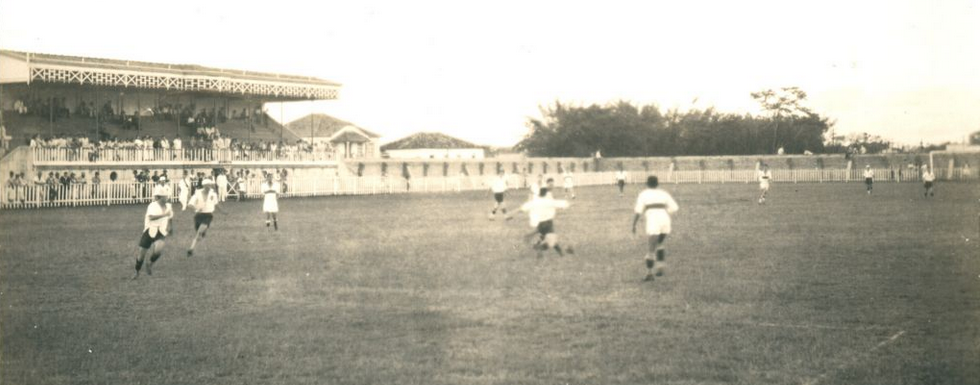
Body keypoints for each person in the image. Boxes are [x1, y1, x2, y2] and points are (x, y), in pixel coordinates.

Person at [632, 176, 679, 281]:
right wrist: (664, 211)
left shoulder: (643, 194)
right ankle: (660, 267)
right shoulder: (663, 193)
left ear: (647, 184)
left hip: (653, 221)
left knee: (651, 248)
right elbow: (674, 207)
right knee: (659, 243)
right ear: (657, 184)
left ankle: (649, 274)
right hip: (665, 220)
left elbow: (638, 211)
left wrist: (634, 225)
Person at [132, 185, 174, 279]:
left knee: (159, 249)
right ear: (160, 197)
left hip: (161, 232)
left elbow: (170, 217)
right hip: (149, 231)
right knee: (141, 255)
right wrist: (164, 215)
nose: (167, 198)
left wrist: (171, 227)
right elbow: (151, 217)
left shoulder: (168, 206)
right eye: (165, 196)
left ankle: (150, 264)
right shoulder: (152, 205)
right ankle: (137, 271)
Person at [520, 187, 573, 258]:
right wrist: (568, 204)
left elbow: (524, 207)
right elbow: (560, 203)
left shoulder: (535, 201)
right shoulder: (548, 201)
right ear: (546, 194)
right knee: (551, 242)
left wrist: (522, 208)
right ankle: (539, 247)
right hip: (548, 224)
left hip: (540, 224)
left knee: (547, 239)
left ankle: (561, 254)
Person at [186, 178, 220, 257]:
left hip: (208, 215)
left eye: (210, 185)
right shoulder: (197, 193)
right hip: (198, 216)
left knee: (198, 233)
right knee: (199, 232)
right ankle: (203, 233)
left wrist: (223, 211)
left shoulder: (213, 194)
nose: (209, 187)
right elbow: (190, 204)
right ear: (204, 186)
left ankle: (191, 248)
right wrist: (196, 209)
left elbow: (216, 204)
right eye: (207, 185)